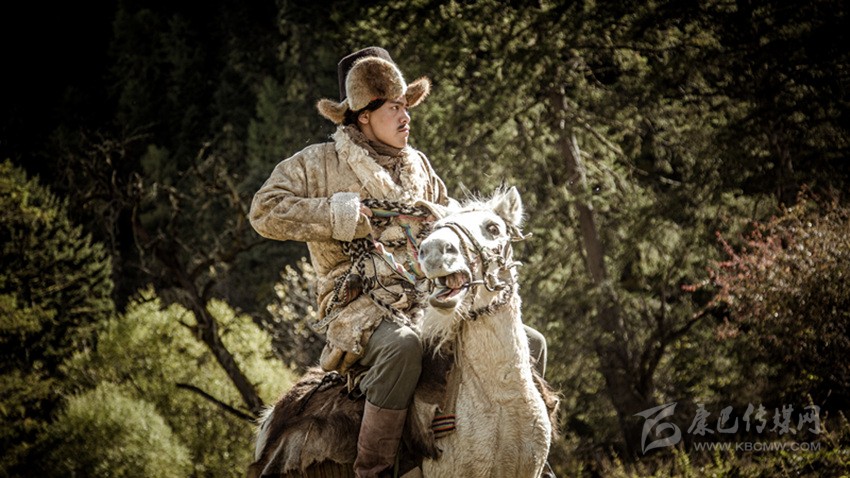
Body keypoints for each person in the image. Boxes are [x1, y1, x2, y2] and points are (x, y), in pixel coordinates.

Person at [250, 47, 549, 477]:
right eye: (394, 107)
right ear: (363, 116)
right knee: (404, 348)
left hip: (425, 299)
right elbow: (264, 211)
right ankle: (374, 469)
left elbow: (447, 220)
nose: (406, 116)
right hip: (359, 306)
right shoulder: (317, 163)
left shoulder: (419, 165)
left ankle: (531, 457)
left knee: (529, 341)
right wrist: (338, 214)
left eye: (406, 106)